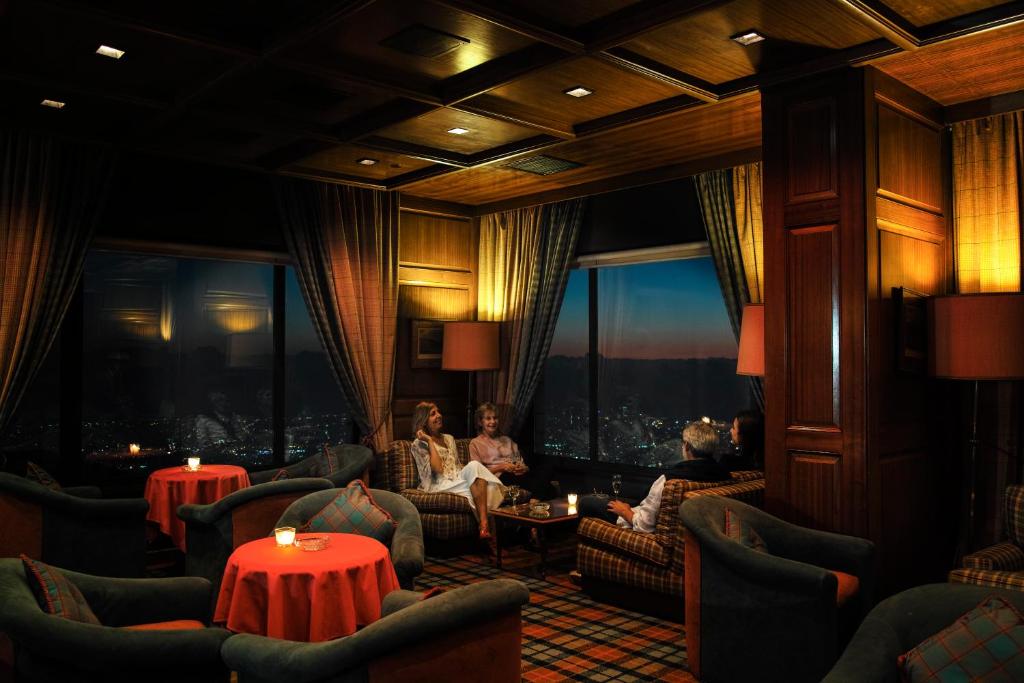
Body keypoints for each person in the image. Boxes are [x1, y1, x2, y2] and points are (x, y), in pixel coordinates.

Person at [580, 420, 729, 533]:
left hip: (636, 525)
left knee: (588, 502)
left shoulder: (670, 481)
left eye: (683, 443)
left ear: (687, 446)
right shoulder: (724, 476)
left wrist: (625, 511)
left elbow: (643, 526)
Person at [409, 402, 505, 539]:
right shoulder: (419, 444)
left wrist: (474, 475)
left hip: (456, 479)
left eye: (438, 411)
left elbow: (457, 466)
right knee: (488, 488)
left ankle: (483, 526)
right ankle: (486, 528)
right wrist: (429, 441)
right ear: (423, 421)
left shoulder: (449, 438)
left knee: (474, 466)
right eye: (433, 414)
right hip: (438, 484)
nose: (439, 415)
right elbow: (438, 470)